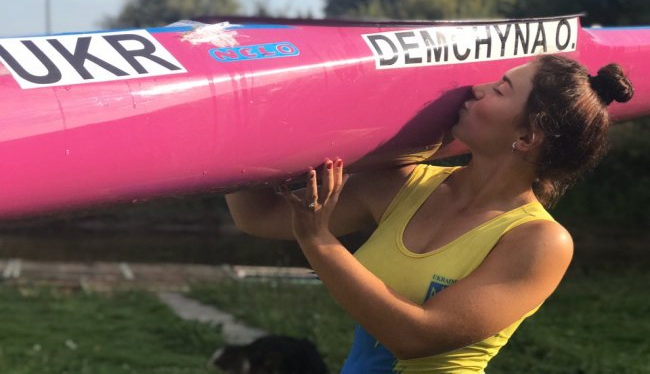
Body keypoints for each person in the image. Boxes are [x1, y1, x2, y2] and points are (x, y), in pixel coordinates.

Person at [225, 54, 634, 373]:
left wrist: (319, 241)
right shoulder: (403, 183)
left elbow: (415, 337)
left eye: (500, 89)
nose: (477, 89)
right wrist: (238, 121)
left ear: (527, 136)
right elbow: (259, 216)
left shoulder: (540, 241)